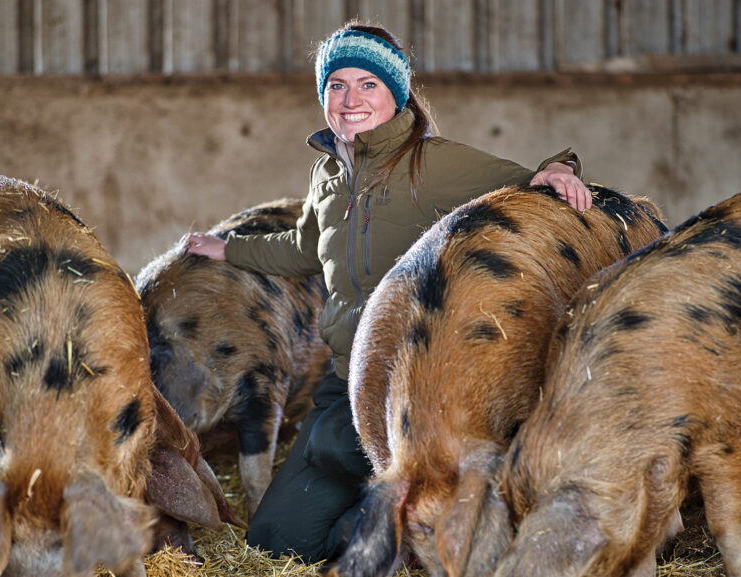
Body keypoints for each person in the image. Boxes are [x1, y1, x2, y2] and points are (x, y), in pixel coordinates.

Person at [185, 21, 591, 565]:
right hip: (344, 381)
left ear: (396, 94)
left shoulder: (434, 163)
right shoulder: (327, 172)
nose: (350, 99)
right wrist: (226, 249)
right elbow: (305, 248)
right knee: (275, 545)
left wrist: (561, 168)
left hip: (418, 384)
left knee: (417, 514)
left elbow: (529, 187)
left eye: (368, 84)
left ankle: (404, 523)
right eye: (336, 85)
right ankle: (385, 524)